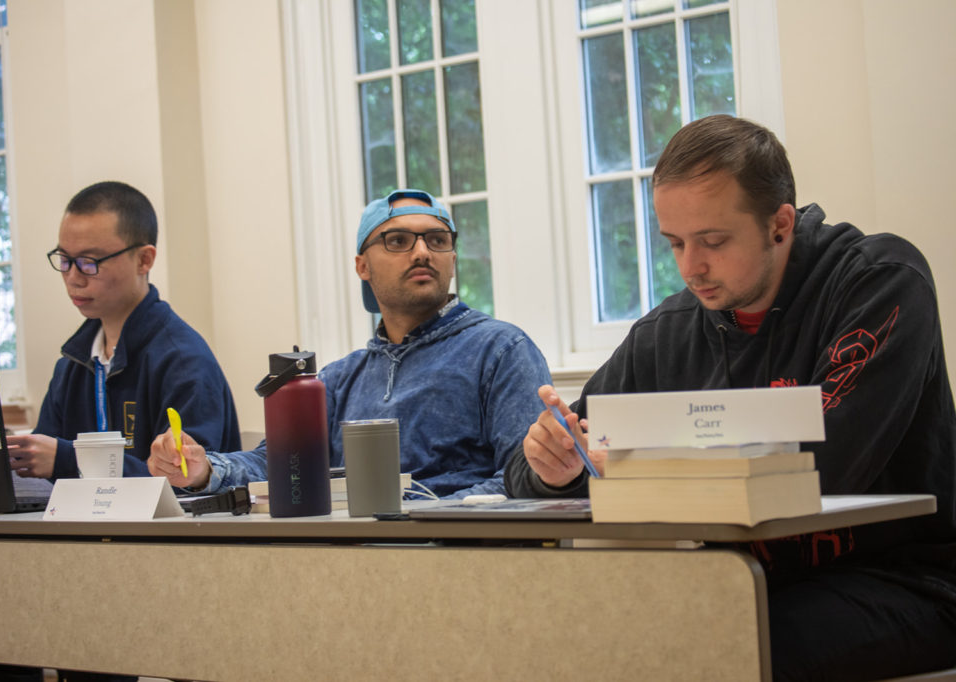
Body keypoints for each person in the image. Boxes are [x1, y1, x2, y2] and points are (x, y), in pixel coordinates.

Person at [506, 115, 956, 680]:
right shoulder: (665, 334)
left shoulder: (881, 282)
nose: (690, 267)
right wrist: (554, 466)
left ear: (780, 224)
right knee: (585, 631)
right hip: (735, 579)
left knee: (717, 643)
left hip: (905, 581)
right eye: (674, 243)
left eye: (713, 241)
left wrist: (638, 464)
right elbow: (526, 479)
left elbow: (823, 468)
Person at [149, 188, 551, 499]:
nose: (423, 252)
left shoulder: (501, 350)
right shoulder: (341, 379)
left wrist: (422, 517)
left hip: (460, 557)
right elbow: (276, 464)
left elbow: (527, 476)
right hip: (352, 560)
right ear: (362, 265)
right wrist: (203, 469)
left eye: (437, 239)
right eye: (398, 241)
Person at [8, 181, 241, 480]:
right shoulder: (72, 364)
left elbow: (190, 483)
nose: (73, 278)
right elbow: (38, 471)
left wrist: (69, 460)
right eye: (65, 260)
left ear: (144, 259)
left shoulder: (183, 360)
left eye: (89, 262)